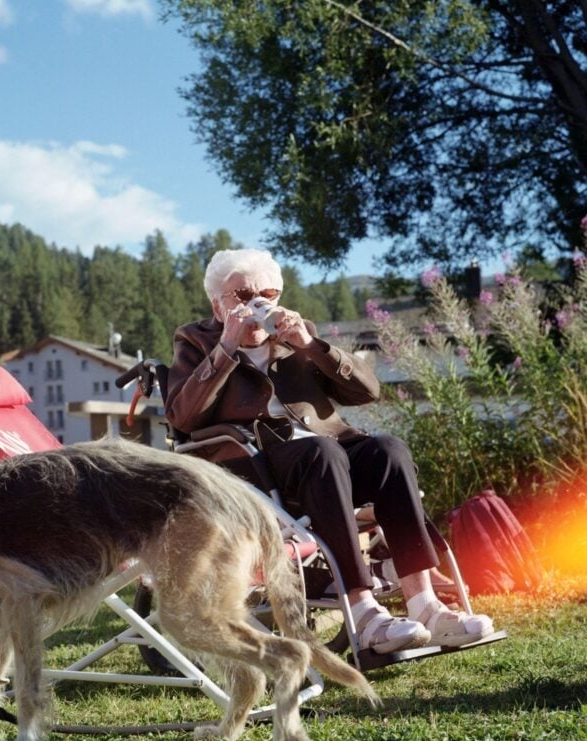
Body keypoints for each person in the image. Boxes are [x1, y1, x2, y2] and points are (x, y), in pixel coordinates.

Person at [165, 248, 494, 654]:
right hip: (250, 464)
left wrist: (310, 344)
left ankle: (424, 604)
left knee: (388, 449)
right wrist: (227, 347)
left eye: (269, 292)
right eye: (244, 295)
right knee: (323, 453)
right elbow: (181, 416)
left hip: (324, 456)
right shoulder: (195, 340)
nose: (258, 303)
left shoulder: (294, 335)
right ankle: (364, 613)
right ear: (218, 303)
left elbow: (368, 391)